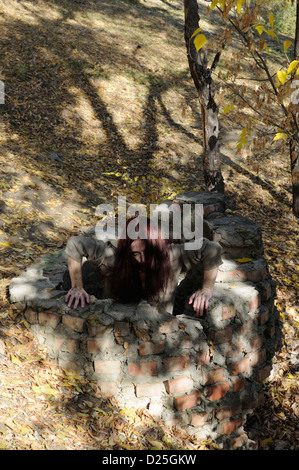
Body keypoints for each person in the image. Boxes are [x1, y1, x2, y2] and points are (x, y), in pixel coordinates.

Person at [64, 217, 222, 317]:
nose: (142, 260)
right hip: (112, 330)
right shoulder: (113, 258)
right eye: (135, 254)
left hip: (159, 335)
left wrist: (206, 289)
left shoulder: (172, 255)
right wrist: (77, 286)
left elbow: (212, 249)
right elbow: (75, 243)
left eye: (148, 252)